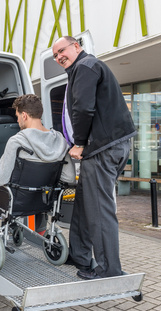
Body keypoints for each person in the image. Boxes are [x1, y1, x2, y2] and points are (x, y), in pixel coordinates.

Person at [52, 36, 137, 280]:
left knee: (99, 210)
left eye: (62, 51)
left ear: (76, 46)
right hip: (107, 147)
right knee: (84, 202)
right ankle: (79, 254)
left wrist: (79, 143)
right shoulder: (83, 67)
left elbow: (83, 108)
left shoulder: (85, 67)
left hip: (102, 149)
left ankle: (109, 269)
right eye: (55, 55)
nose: (59, 57)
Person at [0, 94, 75, 225]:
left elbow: (0, 179)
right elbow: (69, 178)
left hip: (15, 200)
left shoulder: (17, 141)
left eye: (17, 116)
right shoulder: (60, 140)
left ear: (24, 115)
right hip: (43, 199)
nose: (18, 121)